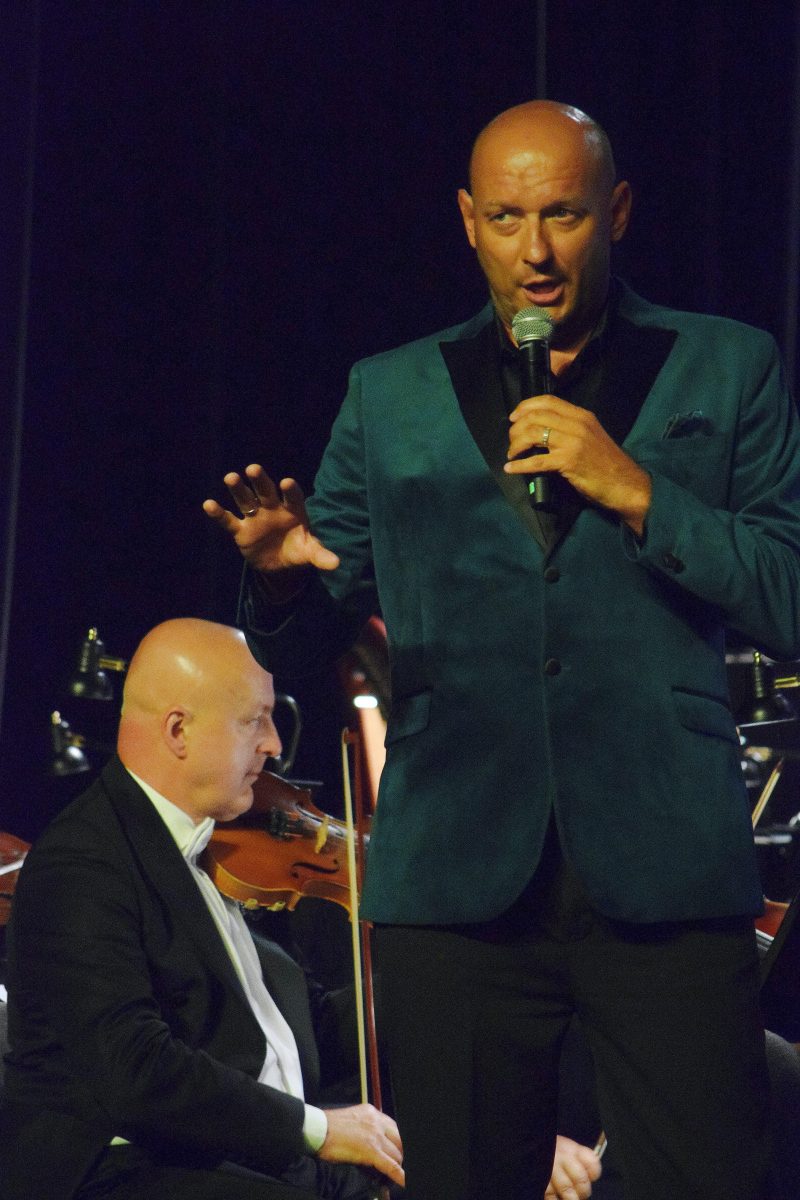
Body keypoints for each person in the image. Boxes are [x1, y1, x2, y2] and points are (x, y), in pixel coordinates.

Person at [203, 100, 800, 1199]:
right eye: (508, 218)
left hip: (664, 865)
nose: (535, 253)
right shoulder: (388, 391)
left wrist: (638, 491)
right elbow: (323, 621)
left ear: (616, 211)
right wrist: (282, 578)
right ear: (468, 220)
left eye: (563, 215)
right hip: (457, 874)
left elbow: (785, 590)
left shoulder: (728, 365)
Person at [0, 618, 404, 1200]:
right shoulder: (82, 862)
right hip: (129, 1169)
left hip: (258, 1159)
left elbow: (299, 1030)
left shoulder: (225, 847)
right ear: (178, 730)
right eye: (254, 720)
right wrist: (318, 1129)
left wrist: (424, 979)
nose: (275, 744)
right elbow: (138, 1070)